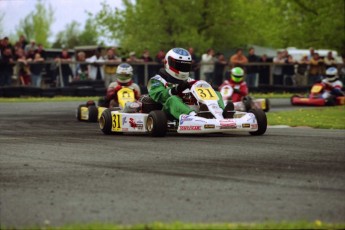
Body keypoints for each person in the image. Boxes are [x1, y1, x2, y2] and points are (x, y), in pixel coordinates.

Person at [147, 47, 229, 120]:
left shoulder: (189, 80)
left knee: (216, 93)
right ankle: (194, 117)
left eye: (185, 66)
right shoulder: (157, 80)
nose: (182, 69)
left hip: (191, 106)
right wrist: (175, 90)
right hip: (167, 111)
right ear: (167, 62)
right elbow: (159, 96)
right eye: (179, 66)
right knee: (173, 99)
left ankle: (222, 112)